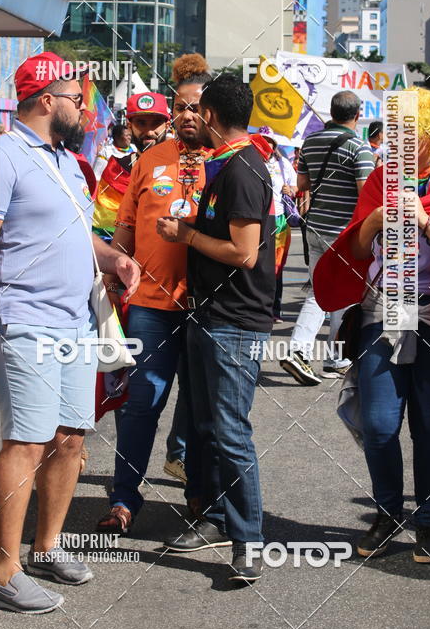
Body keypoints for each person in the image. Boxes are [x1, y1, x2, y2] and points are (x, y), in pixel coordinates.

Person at [0, 51, 140, 614]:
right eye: (77, 99)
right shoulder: (0, 158)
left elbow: (77, 237)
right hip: (25, 321)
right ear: (46, 100)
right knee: (26, 443)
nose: (85, 108)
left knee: (72, 438)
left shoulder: (63, 160)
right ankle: (2, 576)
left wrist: (114, 259)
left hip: (75, 323)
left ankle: (46, 547)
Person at [314, 87, 430, 564]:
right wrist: (372, 222)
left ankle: (429, 522)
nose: (397, 143)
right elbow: (352, 252)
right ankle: (389, 513)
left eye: (408, 134)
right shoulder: (378, 180)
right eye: (394, 133)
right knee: (378, 424)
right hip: (385, 311)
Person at [157, 74, 275, 584]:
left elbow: (244, 253)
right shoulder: (225, 164)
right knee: (206, 426)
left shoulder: (243, 168)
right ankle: (216, 518)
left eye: (197, 110)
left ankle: (249, 543)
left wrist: (186, 234)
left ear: (210, 115)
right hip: (208, 315)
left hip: (234, 322)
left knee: (230, 433)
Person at [96, 55, 211, 535]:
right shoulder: (148, 161)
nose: (188, 116)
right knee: (142, 401)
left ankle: (200, 499)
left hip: (208, 309)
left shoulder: (228, 163)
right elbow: (124, 226)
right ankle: (125, 498)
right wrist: (111, 272)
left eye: (197, 108)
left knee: (203, 410)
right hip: (149, 307)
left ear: (212, 113)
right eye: (181, 107)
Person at [284, 91, 375, 386]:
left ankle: (337, 358)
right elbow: (367, 193)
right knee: (323, 293)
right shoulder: (359, 147)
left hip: (315, 229)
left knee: (339, 293)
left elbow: (302, 184)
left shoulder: (310, 141)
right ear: (357, 115)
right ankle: (297, 350)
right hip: (344, 233)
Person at [92, 93, 170, 242]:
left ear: (167, 125)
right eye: (141, 123)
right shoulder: (116, 169)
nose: (148, 132)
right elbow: (105, 228)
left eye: (155, 123)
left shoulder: (182, 166)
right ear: (129, 126)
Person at [259, 126, 297, 322]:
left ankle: (274, 309)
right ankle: (258, 307)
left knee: (276, 266)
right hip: (258, 218)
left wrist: (289, 189)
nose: (266, 144)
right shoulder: (252, 161)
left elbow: (296, 186)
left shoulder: (283, 164)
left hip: (279, 219)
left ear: (274, 145)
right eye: (262, 140)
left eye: (269, 141)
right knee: (257, 264)